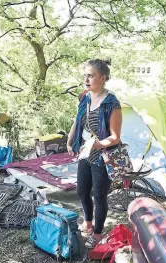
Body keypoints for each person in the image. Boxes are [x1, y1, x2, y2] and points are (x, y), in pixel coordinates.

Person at [66, 59, 122, 248]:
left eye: (91, 76)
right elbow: (77, 120)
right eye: (85, 76)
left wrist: (96, 146)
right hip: (84, 152)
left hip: (102, 156)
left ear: (103, 78)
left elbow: (115, 137)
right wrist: (70, 140)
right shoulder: (85, 97)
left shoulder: (111, 103)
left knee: (99, 195)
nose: (86, 79)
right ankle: (88, 222)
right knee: (82, 191)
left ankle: (97, 233)